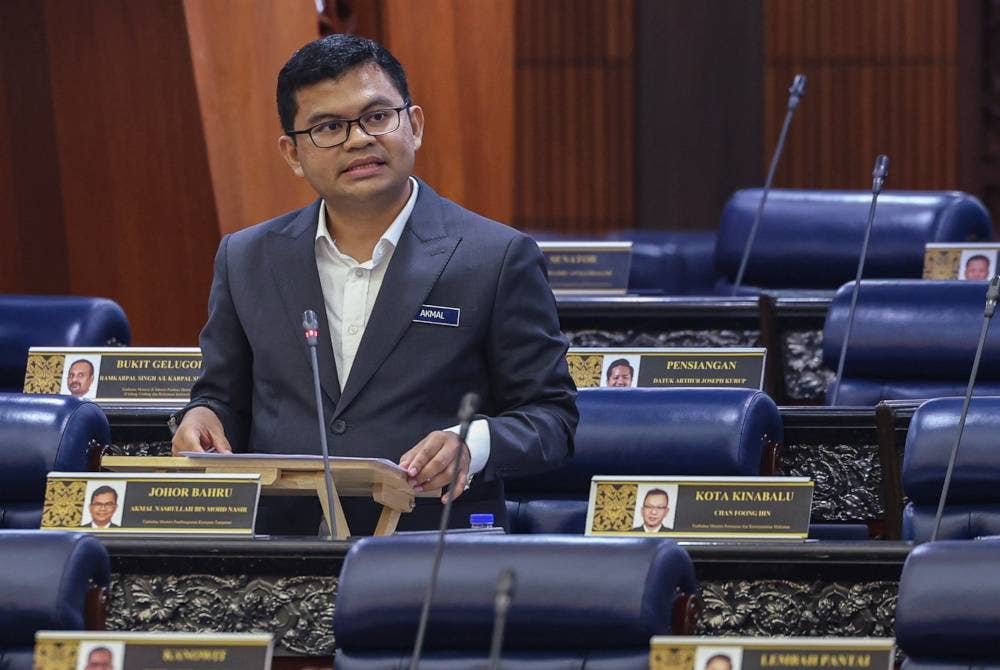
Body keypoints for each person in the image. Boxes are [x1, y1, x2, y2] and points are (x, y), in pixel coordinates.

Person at [170, 34, 577, 534]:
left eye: (377, 116)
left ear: (414, 125)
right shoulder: (246, 258)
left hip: (433, 546)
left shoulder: (496, 257)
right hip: (280, 547)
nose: (359, 139)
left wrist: (473, 444)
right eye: (328, 127)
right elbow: (222, 399)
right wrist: (202, 417)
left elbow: (552, 419)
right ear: (293, 153)